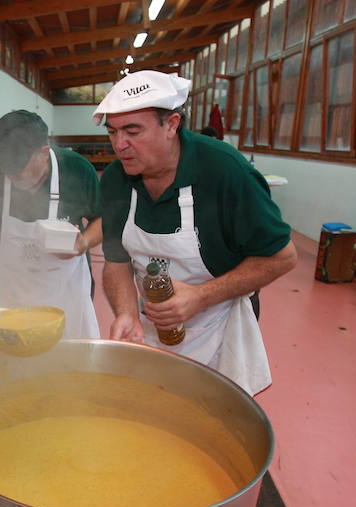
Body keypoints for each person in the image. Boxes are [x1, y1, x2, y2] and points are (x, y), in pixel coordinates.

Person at [93, 70, 297, 395]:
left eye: (133, 131)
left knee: (213, 417)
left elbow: (281, 258)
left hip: (220, 321)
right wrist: (128, 313)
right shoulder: (118, 179)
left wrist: (200, 297)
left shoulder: (224, 171)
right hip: (154, 322)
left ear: (171, 124)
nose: (120, 145)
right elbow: (117, 261)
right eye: (113, 132)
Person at [0, 110, 102, 338]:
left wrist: (83, 242)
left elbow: (103, 220)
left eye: (18, 172)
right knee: (14, 358)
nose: (13, 177)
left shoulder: (76, 168)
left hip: (66, 290)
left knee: (70, 356)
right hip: (14, 289)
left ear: (43, 154)